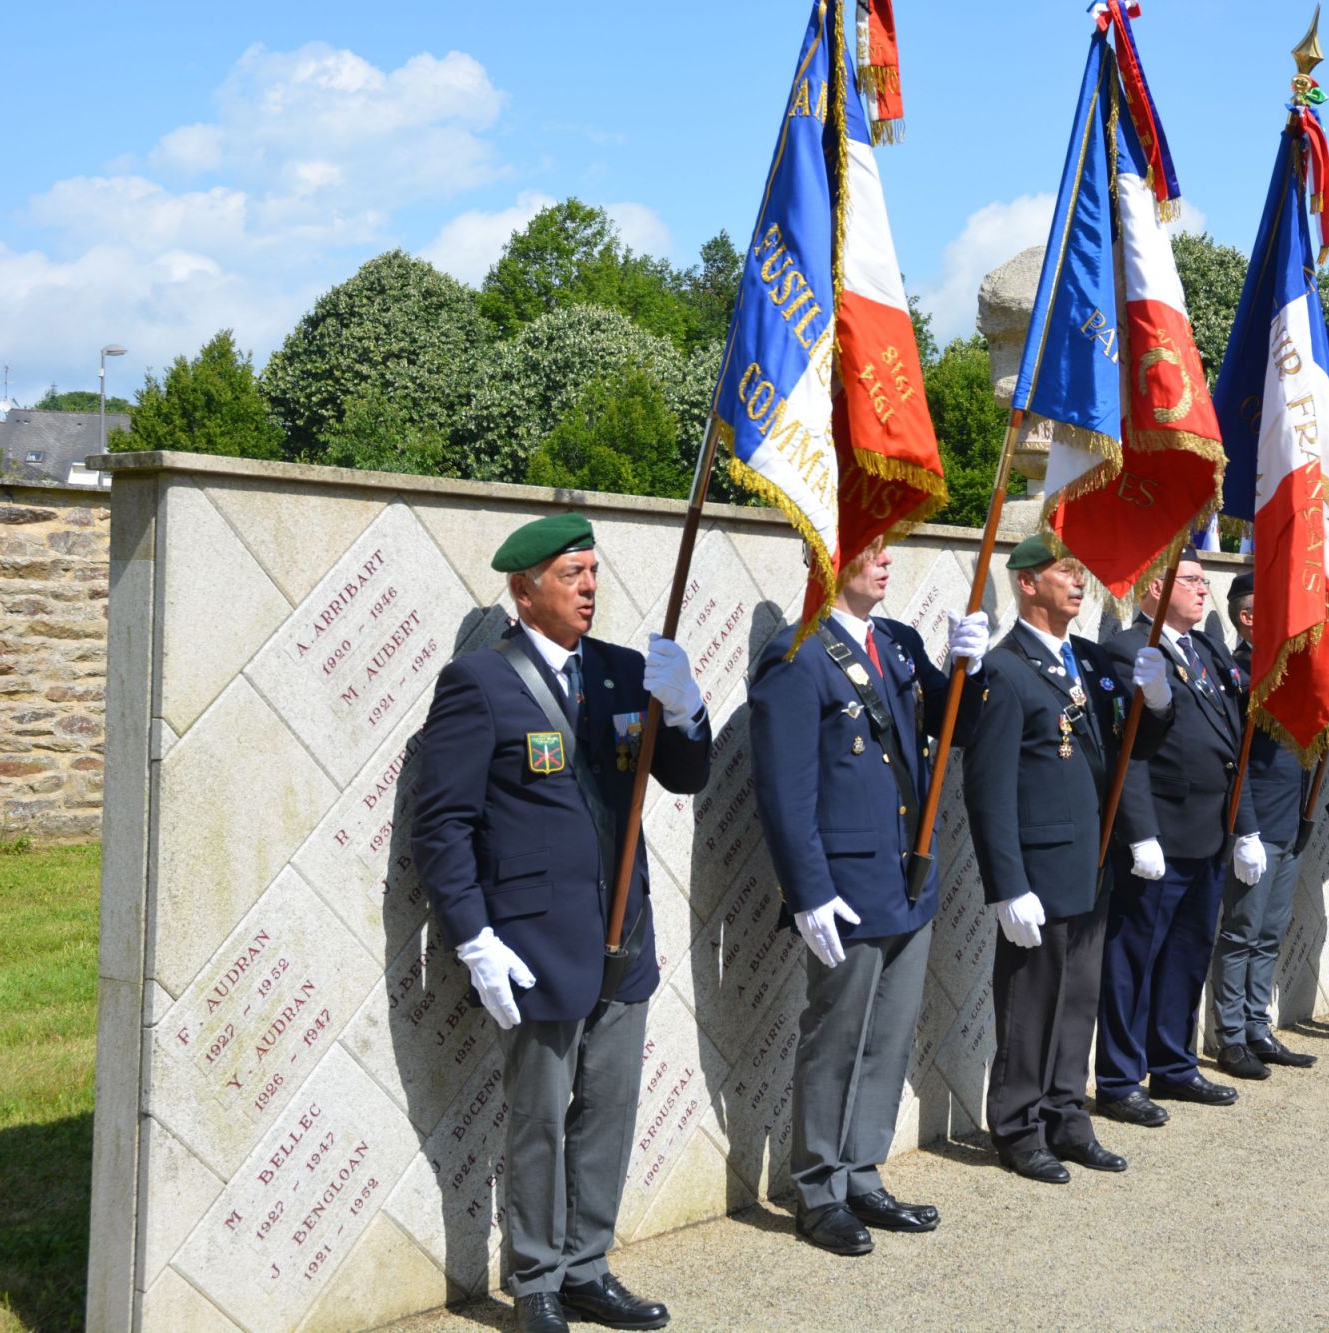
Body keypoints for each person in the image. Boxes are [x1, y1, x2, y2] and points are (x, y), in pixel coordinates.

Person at [413, 513, 711, 1333]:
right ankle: (537, 1277)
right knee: (540, 1118)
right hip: (535, 942)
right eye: (571, 573)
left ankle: (587, 1267)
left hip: (625, 932)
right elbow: (443, 825)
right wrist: (473, 938)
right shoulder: (479, 682)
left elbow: (686, 775)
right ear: (524, 589)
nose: (588, 587)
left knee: (609, 1109)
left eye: (593, 571)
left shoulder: (622, 673)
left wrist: (685, 707)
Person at [748, 537, 989, 1256]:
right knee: (836, 1037)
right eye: (870, 548)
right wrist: (808, 891)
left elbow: (956, 727)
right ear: (828, 560)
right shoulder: (797, 656)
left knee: (888, 1036)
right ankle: (818, 1189)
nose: (886, 560)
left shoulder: (899, 642)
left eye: (888, 548)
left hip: (908, 875)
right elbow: (784, 788)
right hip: (846, 888)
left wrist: (970, 671)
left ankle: (862, 1171)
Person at [963, 537, 1175, 1183]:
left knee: (1079, 999)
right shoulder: (1005, 669)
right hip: (1039, 867)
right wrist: (1007, 885)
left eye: (1081, 571)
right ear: (1027, 583)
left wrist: (1157, 701)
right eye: (1065, 572)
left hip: (1092, 858)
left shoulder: (1088, 658)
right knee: (1030, 1004)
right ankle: (1018, 1127)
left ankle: (1066, 1116)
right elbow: (988, 788)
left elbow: (1131, 743)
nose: (1079, 582)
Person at [1096, 554, 1262, 1117]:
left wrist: (1245, 827)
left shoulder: (1209, 649)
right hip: (1161, 835)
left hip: (1210, 831)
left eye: (1202, 581)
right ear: (1153, 587)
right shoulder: (1130, 649)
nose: (1202, 590)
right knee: (1134, 960)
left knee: (1187, 957)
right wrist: (1140, 833)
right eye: (1190, 580)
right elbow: (1131, 751)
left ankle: (1173, 1065)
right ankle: (1120, 1080)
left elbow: (1232, 745)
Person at [1208, 572, 1322, 1080]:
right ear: (1248, 617)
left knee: (1270, 933)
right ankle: (1231, 1037)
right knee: (1241, 933)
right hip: (1256, 828)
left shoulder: (1289, 670)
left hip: (1290, 822)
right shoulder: (1238, 674)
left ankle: (1258, 1026)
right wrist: (1246, 830)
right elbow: (1238, 761)